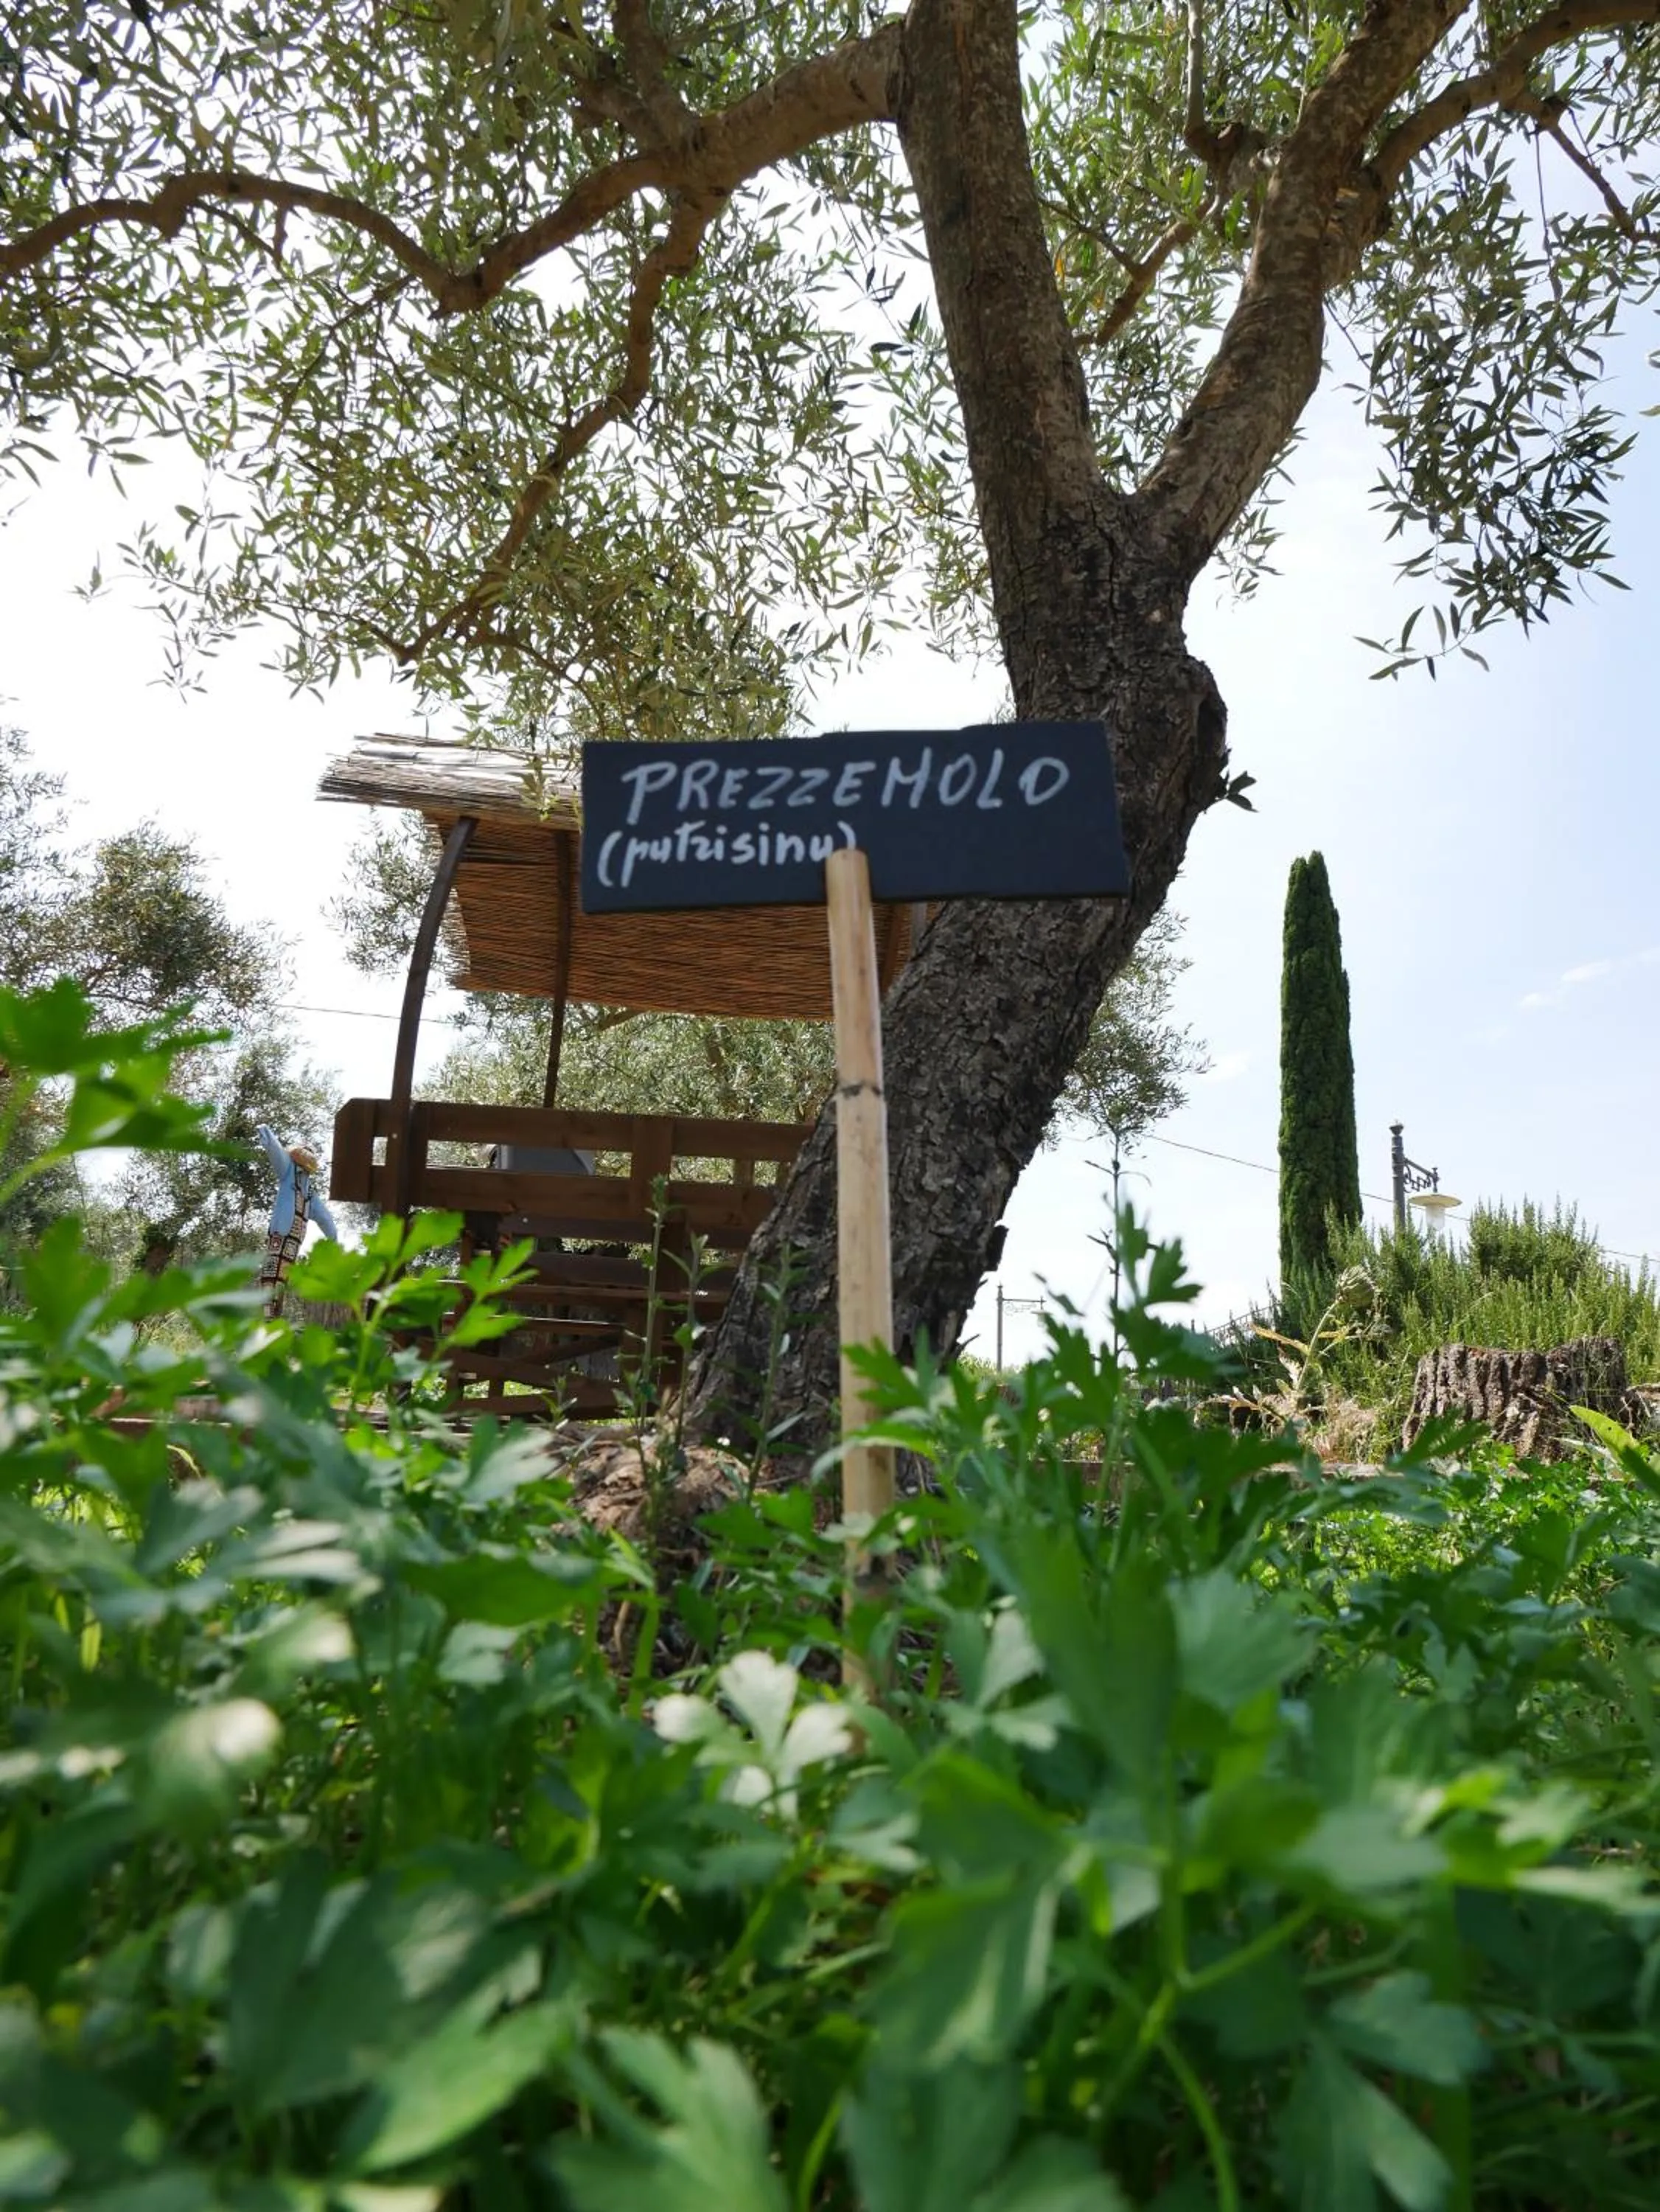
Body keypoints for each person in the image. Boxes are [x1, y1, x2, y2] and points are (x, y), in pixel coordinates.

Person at [256, 1125, 338, 1318]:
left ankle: (273, 1316)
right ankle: (267, 1317)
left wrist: (333, 1238)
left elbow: (326, 1219)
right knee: (271, 1274)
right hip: (281, 1235)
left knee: (281, 1276)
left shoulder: (310, 1194)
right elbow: (276, 1152)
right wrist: (266, 1132)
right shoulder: (288, 1173)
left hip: (294, 1241)